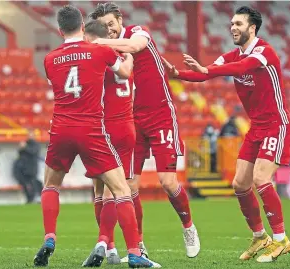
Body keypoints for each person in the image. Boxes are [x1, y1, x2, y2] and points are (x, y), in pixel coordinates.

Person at [162, 6, 290, 263]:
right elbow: (205, 73)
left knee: (261, 179)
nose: (233, 27)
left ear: (252, 28)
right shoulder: (231, 55)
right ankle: (260, 237)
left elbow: (239, 67)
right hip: (256, 127)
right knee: (239, 184)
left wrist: (206, 70)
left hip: (277, 125)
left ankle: (281, 240)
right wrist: (178, 74)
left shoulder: (263, 52)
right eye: (232, 23)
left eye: (238, 24)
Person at [33, 5, 160, 268]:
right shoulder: (99, 50)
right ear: (82, 25)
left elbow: (57, 84)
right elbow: (124, 72)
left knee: (50, 186)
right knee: (121, 190)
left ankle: (49, 237)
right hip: (92, 129)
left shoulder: (49, 59)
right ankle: (134, 252)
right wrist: (129, 58)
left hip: (60, 129)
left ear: (59, 29)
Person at [89, 2, 200, 259]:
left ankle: (188, 226)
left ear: (119, 19)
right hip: (131, 120)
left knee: (167, 182)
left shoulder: (138, 32)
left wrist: (96, 42)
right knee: (128, 185)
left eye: (111, 24)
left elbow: (135, 46)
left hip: (160, 114)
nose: (109, 30)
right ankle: (138, 244)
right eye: (104, 27)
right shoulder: (110, 52)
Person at [84, 19, 136, 265]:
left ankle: (106, 242)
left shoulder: (97, 57)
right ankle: (110, 246)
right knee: (114, 189)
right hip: (126, 125)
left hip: (103, 127)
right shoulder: (126, 55)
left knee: (102, 190)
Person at [12, 131, 42, 204]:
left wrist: (25, 147)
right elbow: (20, 153)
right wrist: (21, 147)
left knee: (34, 183)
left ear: (34, 136)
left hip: (32, 168)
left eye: (31, 136)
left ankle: (36, 197)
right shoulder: (26, 144)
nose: (30, 137)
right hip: (23, 169)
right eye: (29, 135)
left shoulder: (36, 144)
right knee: (24, 184)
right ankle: (29, 198)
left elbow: (33, 152)